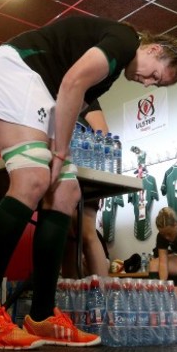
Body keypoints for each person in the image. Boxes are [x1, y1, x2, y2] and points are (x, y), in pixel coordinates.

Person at [0, 15, 177, 350]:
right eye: (155, 75)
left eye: (156, 84)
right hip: (18, 69)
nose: (148, 83)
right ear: (152, 49)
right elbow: (71, 83)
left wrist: (59, 152)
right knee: (33, 178)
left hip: (39, 88)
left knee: (67, 191)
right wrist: (60, 150)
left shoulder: (110, 74)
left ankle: (42, 316)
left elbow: (74, 103)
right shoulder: (125, 39)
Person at [61, 100, 110, 278]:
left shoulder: (84, 90)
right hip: (59, 168)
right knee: (67, 237)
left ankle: (102, 297)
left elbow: (102, 132)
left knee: (86, 231)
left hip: (82, 166)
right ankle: (71, 299)